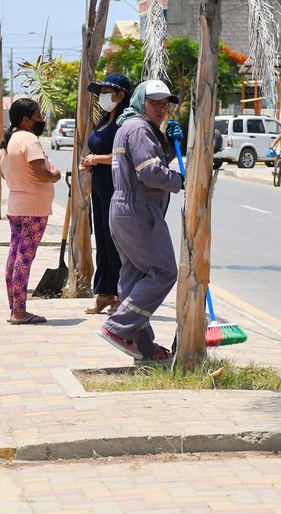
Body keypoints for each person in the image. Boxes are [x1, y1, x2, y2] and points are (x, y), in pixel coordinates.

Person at [97, 80, 184, 361]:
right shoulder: (138, 129)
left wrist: (168, 142)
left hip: (126, 209)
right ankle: (118, 327)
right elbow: (150, 172)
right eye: (154, 102)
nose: (161, 108)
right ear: (139, 102)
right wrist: (179, 180)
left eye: (165, 103)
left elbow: (148, 160)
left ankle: (144, 346)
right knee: (164, 271)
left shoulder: (132, 127)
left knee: (134, 277)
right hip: (139, 209)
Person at [0, 98, 61, 325]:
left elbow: (5, 174)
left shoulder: (7, 141)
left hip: (16, 207)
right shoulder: (29, 139)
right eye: (39, 116)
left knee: (14, 257)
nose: (42, 120)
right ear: (25, 120)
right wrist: (55, 175)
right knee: (24, 259)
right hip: (33, 210)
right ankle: (19, 312)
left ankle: (14, 307)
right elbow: (42, 174)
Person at [80, 73, 132, 315]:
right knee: (101, 240)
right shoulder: (103, 121)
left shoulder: (125, 123)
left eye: (106, 92)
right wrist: (89, 162)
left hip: (115, 187)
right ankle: (103, 293)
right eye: (100, 93)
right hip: (99, 186)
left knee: (115, 242)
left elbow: (125, 154)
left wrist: (96, 159)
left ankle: (122, 294)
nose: (102, 97)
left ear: (121, 95)